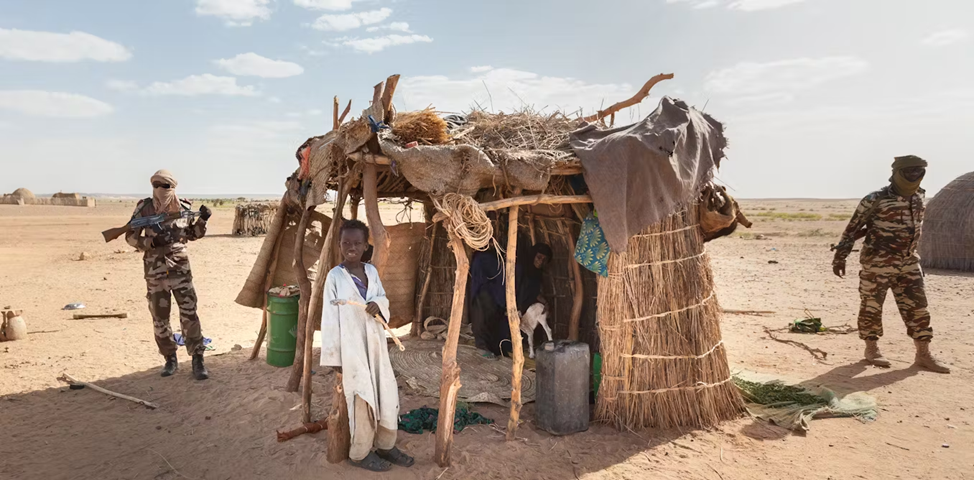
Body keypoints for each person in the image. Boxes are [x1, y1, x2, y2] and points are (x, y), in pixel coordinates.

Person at [832, 155, 949, 373]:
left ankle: (923, 355)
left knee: (918, 308)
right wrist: (840, 256)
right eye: (909, 171)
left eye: (919, 171)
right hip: (877, 263)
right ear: (897, 173)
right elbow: (853, 228)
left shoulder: (919, 197)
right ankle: (872, 349)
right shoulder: (875, 198)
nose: (915, 175)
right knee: (871, 307)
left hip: (908, 262)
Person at [320, 219, 414, 472]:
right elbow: (329, 318)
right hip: (352, 350)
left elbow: (382, 299)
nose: (351, 247)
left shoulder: (371, 272)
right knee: (361, 397)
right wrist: (335, 358)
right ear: (339, 245)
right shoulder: (335, 277)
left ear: (365, 246)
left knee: (386, 393)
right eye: (346, 243)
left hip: (375, 346)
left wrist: (378, 306)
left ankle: (385, 444)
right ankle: (360, 454)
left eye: (357, 243)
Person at [125, 170, 212, 380]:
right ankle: (169, 359)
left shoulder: (184, 208)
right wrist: (151, 243)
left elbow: (193, 235)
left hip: (180, 270)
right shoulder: (144, 209)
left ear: (172, 188)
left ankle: (197, 359)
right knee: (159, 318)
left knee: (189, 314)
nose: (159, 190)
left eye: (164, 186)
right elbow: (129, 236)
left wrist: (202, 220)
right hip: (155, 273)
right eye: (155, 185)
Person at [469, 241, 552, 358]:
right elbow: (513, 286)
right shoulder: (520, 267)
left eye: (544, 260)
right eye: (539, 257)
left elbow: (531, 291)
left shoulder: (535, 273)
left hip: (505, 299)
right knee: (484, 317)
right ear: (533, 255)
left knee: (500, 324)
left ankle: (496, 348)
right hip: (491, 291)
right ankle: (482, 346)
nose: (540, 261)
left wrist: (544, 302)